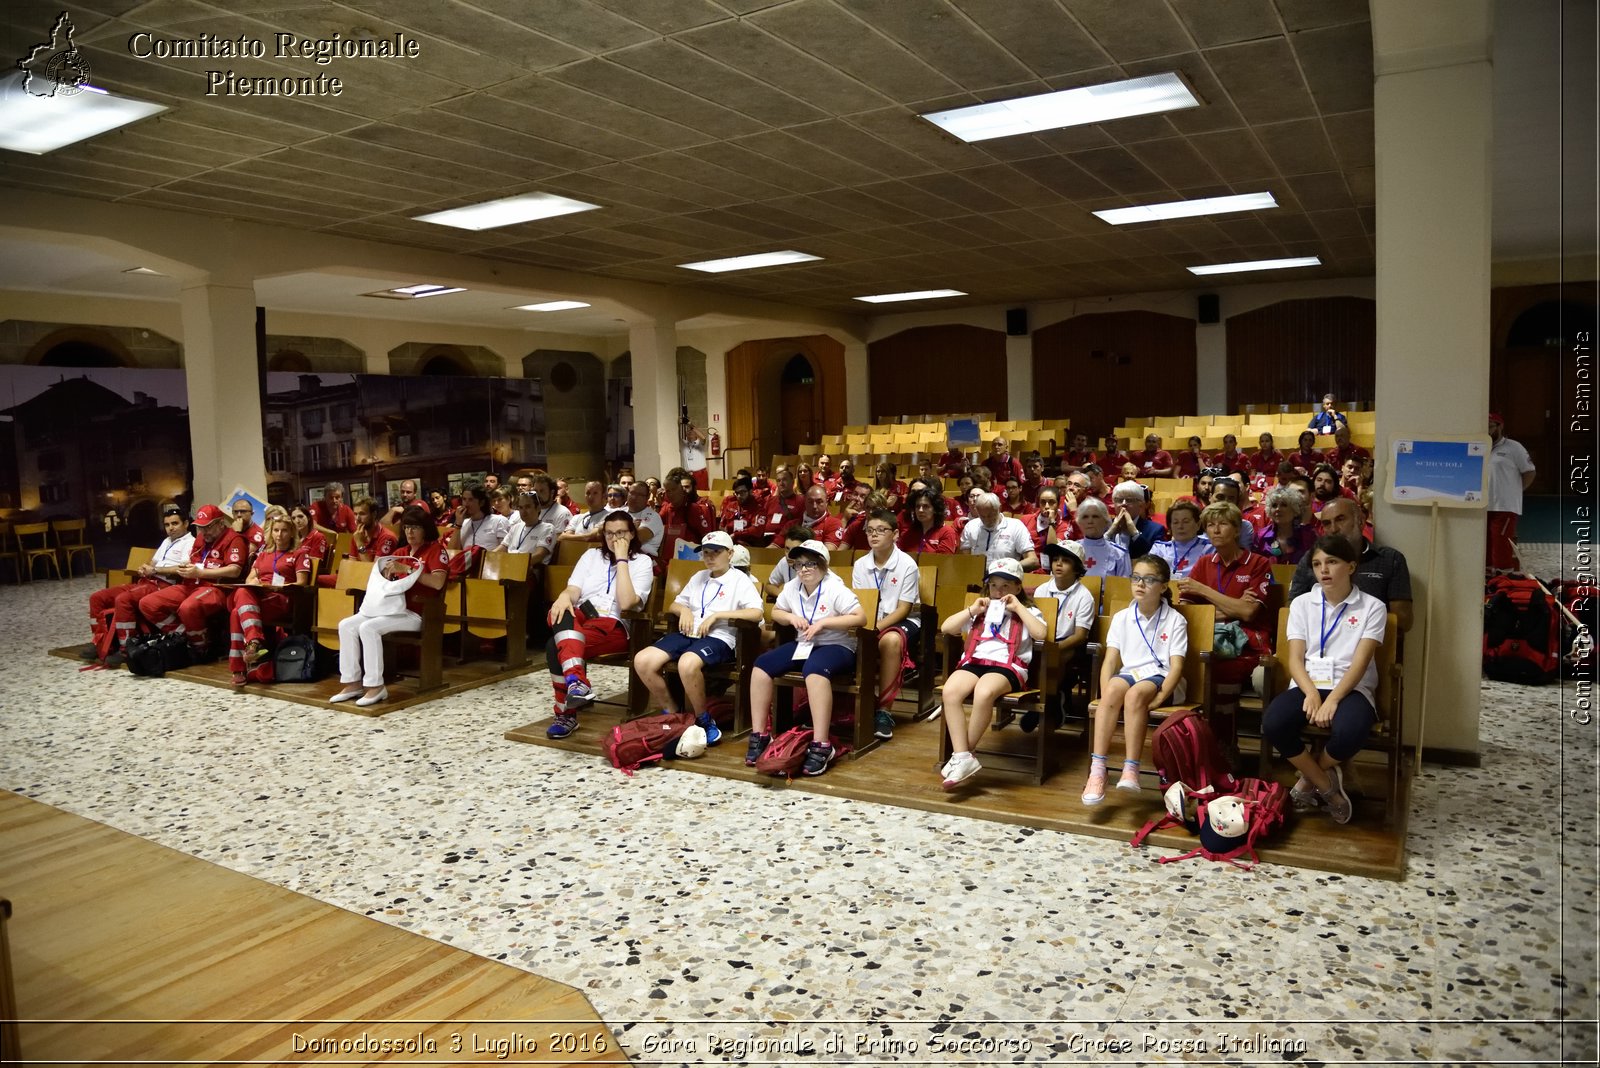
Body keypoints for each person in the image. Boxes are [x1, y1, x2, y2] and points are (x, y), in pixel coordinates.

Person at [1262, 534, 1389, 824]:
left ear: (1352, 566)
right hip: (1309, 683)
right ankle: (1327, 786)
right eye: (1318, 564)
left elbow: (1360, 662)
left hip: (1351, 686)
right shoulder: (1303, 604)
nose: (1324, 571)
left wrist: (1332, 699)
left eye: (1332, 562)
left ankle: (1309, 779)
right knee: (1274, 723)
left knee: (1351, 730)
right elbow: (1295, 658)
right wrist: (1310, 693)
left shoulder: (1372, 607)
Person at [745, 540, 866, 776]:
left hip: (837, 645)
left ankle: (822, 745)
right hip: (805, 644)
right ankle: (760, 735)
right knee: (761, 666)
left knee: (815, 671)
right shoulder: (792, 586)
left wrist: (825, 622)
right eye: (799, 565)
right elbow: (777, 611)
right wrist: (790, 619)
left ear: (823, 565)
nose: (804, 570)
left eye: (810, 564)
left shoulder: (835, 588)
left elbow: (860, 617)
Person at [633, 530, 763, 744]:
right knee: (643, 660)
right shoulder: (698, 577)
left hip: (720, 637)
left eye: (716, 552)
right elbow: (677, 603)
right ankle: (674, 715)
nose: (710, 557)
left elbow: (755, 613)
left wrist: (718, 615)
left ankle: (703, 719)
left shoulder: (740, 580)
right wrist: (683, 611)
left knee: (687, 663)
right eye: (705, 552)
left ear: (730, 554)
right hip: (688, 633)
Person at [1082, 554, 1188, 804]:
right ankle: (1098, 770)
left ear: (1163, 586)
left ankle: (1131, 768)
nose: (1140, 584)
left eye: (1149, 579)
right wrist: (1106, 692)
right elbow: (1110, 660)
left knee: (1135, 694)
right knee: (1114, 688)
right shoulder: (1121, 617)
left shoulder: (1175, 620)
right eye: (1136, 578)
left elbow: (1176, 667)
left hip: (1159, 677)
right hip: (1130, 673)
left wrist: (1161, 696)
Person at [936, 558, 1047, 790]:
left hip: (1008, 666)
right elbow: (946, 628)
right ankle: (963, 756)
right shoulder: (980, 611)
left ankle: (963, 754)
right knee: (951, 691)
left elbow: (1041, 634)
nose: (999, 591)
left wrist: (1019, 608)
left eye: (1006, 586)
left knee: (984, 691)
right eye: (994, 585)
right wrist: (972, 610)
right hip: (975, 661)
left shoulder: (1028, 610)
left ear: (1018, 588)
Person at [542, 512, 656, 739]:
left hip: (613, 625)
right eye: (610, 534)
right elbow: (574, 590)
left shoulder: (643, 562)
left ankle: (567, 712)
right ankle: (576, 682)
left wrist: (622, 559)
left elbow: (627, 603)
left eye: (621, 533)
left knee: (553, 647)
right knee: (559, 610)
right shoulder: (590, 556)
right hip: (582, 617)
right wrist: (564, 596)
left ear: (632, 534)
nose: (615, 539)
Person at [330, 506, 449, 708]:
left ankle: (376, 686)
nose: (410, 532)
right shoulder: (400, 552)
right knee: (346, 625)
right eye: (407, 527)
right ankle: (352, 683)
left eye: (415, 527)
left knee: (368, 628)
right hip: (389, 609)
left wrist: (409, 569)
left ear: (426, 529)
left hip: (418, 613)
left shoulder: (436, 550)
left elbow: (438, 582)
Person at [1179, 501, 1273, 747]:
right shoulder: (1203, 563)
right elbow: (1189, 613)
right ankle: (1196, 743)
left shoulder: (1258, 563)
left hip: (1248, 643)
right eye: (1210, 525)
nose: (1215, 530)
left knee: (1221, 670)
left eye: (1222, 524)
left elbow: (1249, 613)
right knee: (1185, 662)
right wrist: (1232, 608)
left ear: (1236, 530)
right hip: (1210, 638)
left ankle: (1225, 746)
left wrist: (1202, 590)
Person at [136, 504, 248, 660]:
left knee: (187, 608)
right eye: (201, 527)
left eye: (208, 527)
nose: (204, 532)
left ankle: (201, 649)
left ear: (221, 523)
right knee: (148, 604)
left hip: (216, 588)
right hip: (191, 584)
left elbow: (234, 570)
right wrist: (185, 568)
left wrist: (201, 572)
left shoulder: (234, 539)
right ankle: (183, 638)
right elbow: (195, 561)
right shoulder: (202, 538)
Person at [85, 504, 193, 661]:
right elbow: (154, 562)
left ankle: (127, 648)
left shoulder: (190, 543)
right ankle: (100, 643)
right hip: (147, 581)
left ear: (186, 524)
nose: (170, 528)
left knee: (123, 600)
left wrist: (155, 571)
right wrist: (146, 567)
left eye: (175, 524)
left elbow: (183, 569)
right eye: (167, 525)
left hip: (165, 586)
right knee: (97, 597)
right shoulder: (166, 541)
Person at [852, 510, 924, 741]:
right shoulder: (861, 565)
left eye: (881, 530)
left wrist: (877, 627)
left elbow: (904, 608)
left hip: (904, 621)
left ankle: (884, 711)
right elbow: (861, 602)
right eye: (870, 530)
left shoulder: (907, 565)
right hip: (871, 620)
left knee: (890, 640)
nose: (874, 535)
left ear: (895, 534)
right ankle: (854, 704)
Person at [1290, 498, 1413, 631]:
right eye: (1326, 523)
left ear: (1360, 521)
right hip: (1319, 640)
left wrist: (1352, 628)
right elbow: (1293, 612)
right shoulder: (1312, 560)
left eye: (1340, 519)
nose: (1333, 529)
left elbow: (1402, 622)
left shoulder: (1390, 559)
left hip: (1374, 643)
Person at [226, 514, 312, 685]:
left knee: (238, 610)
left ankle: (239, 666)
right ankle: (253, 642)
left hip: (282, 598)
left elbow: (302, 582)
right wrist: (254, 582)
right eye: (276, 530)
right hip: (259, 598)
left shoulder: (299, 554)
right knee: (240, 600)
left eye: (284, 531)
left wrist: (278, 587)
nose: (279, 535)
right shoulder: (264, 554)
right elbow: (249, 579)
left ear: (292, 533)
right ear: (271, 532)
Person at [1029, 541, 1097, 731]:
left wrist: (1055, 648)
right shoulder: (1042, 590)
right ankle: (1043, 699)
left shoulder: (1084, 596)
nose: (1058, 564)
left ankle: (1046, 703)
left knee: (1054, 659)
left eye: (1065, 560)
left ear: (1077, 569)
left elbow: (1080, 635)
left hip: (1068, 645)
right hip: (1042, 641)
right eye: (1055, 560)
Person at [959, 491, 1038, 572]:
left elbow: (1033, 560)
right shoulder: (970, 526)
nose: (987, 520)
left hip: (1006, 578)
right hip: (976, 576)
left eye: (990, 515)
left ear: (999, 508)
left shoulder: (1015, 526)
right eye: (982, 516)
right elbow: (965, 561)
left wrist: (1006, 568)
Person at [658, 468, 718, 564]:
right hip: (670, 560)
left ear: (681, 490)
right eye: (668, 491)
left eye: (673, 489)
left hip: (692, 558)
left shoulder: (695, 509)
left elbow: (707, 537)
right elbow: (655, 527)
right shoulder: (667, 508)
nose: (670, 494)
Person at [1256, 485, 1317, 565]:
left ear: (1295, 509)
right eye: (1274, 505)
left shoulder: (1309, 536)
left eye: (1284, 505)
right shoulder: (1261, 536)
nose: (1278, 509)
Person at [1151, 500, 1210, 580]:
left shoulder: (1208, 548)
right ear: (1170, 527)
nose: (1180, 526)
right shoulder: (1160, 549)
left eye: (1186, 522)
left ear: (1198, 525)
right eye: (1175, 522)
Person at [1072, 499, 1130, 578]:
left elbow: (1123, 587)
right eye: (1085, 517)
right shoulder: (1070, 550)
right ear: (1079, 522)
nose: (1090, 521)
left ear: (1105, 521)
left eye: (1095, 516)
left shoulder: (1119, 554)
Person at [1108, 481, 1165, 559]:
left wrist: (1135, 533)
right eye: (1119, 500)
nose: (1123, 504)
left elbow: (1153, 561)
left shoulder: (1155, 530)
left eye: (1129, 500)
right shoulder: (1105, 526)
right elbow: (1096, 554)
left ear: (1141, 505)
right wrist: (1109, 533)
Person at [897, 487, 959, 554]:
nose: (920, 510)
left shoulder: (947, 532)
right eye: (917, 506)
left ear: (935, 509)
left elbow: (943, 561)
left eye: (925, 506)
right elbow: (899, 556)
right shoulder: (910, 532)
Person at [763, 525, 813, 600]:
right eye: (787, 549)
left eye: (795, 550)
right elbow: (769, 586)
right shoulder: (784, 562)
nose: (789, 555)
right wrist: (783, 595)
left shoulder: (815, 567)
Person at [1026, 486, 1076, 557]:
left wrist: (1051, 521)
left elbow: (1052, 550)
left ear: (1058, 504)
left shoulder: (1064, 526)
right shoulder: (1026, 520)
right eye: (1043, 502)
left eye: (1051, 502)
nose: (1046, 506)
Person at [720, 476, 770, 545]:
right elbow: (722, 526)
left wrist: (736, 535)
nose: (739, 496)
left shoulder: (759, 509)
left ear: (750, 491)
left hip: (751, 546)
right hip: (730, 543)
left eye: (742, 492)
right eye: (737, 493)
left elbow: (756, 531)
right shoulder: (731, 506)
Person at [625, 480, 664, 560]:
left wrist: (612, 531)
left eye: (640, 495)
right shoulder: (619, 512)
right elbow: (599, 532)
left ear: (647, 497)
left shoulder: (654, 517)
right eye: (632, 493)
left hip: (644, 558)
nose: (634, 497)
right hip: (621, 557)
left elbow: (636, 537)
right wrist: (632, 527)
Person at [288, 503, 329, 570]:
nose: (297, 521)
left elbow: (315, 564)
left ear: (309, 518)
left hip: (308, 573)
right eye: (293, 518)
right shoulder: (293, 538)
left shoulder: (318, 536)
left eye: (300, 516)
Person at [230, 498, 265, 563]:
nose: (239, 515)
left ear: (252, 513)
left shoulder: (258, 534)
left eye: (243, 511)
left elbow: (241, 556)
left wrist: (237, 533)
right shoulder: (230, 529)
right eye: (235, 512)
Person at [680, 419, 709, 490]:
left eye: (692, 432)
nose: (690, 433)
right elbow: (677, 436)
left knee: (702, 492)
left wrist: (690, 425)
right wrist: (679, 424)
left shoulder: (699, 443)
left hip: (700, 473)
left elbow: (703, 437)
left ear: (696, 434)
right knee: (688, 493)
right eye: (688, 432)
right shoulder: (684, 444)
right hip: (688, 474)